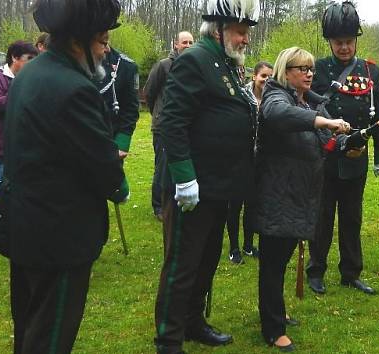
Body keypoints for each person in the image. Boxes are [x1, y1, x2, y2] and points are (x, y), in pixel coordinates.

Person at [0, 0, 129, 352]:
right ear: (77, 41)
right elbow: (103, 166)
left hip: (25, 227)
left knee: (28, 327)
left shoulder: (31, 74)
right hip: (59, 234)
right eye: (102, 41)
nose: (106, 49)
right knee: (51, 336)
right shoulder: (74, 88)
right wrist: (117, 179)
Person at [153, 1, 260, 352]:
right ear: (218, 29)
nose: (245, 39)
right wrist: (184, 178)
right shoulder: (194, 60)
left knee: (207, 259)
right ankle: (168, 337)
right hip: (193, 188)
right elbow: (172, 120)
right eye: (241, 32)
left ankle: (192, 322)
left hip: (219, 186)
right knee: (183, 264)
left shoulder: (226, 64)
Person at [255, 47, 349, 352]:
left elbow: (326, 143)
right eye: (302, 68)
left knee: (279, 260)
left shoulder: (306, 101)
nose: (310, 74)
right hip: (277, 194)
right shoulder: (275, 96)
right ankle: (273, 329)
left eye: (311, 69)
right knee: (273, 262)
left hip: (299, 194)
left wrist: (346, 142)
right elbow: (279, 115)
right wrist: (322, 122)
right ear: (287, 70)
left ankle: (276, 311)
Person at [307, 0, 379, 295]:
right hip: (327, 153)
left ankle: (351, 272)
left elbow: (378, 112)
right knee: (322, 216)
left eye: (349, 42)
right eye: (338, 42)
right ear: (330, 41)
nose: (344, 47)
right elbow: (310, 109)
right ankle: (316, 269)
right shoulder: (316, 68)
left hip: (357, 155)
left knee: (352, 217)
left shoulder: (370, 70)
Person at [0, 41, 37, 252]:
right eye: (29, 59)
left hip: (19, 147)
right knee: (8, 191)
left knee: (12, 190)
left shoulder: (27, 80)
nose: (32, 64)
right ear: (14, 57)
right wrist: (19, 96)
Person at [144, 31, 194, 221]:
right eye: (184, 42)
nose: (187, 45)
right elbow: (149, 92)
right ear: (176, 44)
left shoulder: (192, 67)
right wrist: (158, 114)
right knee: (162, 166)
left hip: (184, 126)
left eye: (191, 42)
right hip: (162, 126)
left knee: (178, 163)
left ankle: (176, 200)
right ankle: (158, 206)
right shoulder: (164, 65)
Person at [226, 60, 272, 264]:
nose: (266, 80)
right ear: (254, 76)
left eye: (270, 77)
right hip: (239, 156)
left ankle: (248, 244)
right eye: (263, 76)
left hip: (261, 158)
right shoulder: (242, 95)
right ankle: (234, 247)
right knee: (235, 204)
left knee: (253, 204)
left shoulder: (274, 98)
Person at [95, 45, 140, 160]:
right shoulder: (69, 63)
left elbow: (131, 108)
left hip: (111, 138)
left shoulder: (125, 66)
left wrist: (122, 143)